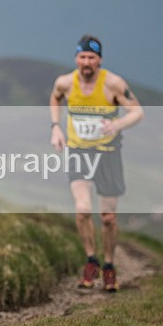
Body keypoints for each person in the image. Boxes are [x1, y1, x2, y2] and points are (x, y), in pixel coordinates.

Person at [49, 35, 144, 292]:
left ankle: (110, 264)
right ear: (76, 58)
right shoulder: (65, 82)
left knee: (108, 218)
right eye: (82, 57)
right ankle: (91, 259)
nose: (87, 62)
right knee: (82, 210)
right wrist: (56, 127)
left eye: (92, 57)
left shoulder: (112, 83)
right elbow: (55, 97)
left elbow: (137, 111)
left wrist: (117, 123)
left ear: (99, 59)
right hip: (79, 151)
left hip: (107, 154)